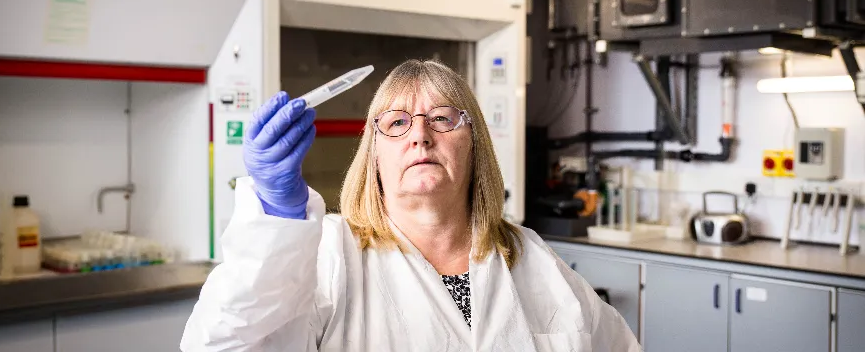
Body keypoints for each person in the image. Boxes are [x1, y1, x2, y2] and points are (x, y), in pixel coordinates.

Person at [180, 60, 641, 352]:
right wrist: (278, 217)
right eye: (397, 122)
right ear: (373, 154)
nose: (421, 135)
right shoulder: (328, 255)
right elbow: (221, 343)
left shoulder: (531, 257)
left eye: (442, 118)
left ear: (474, 144)